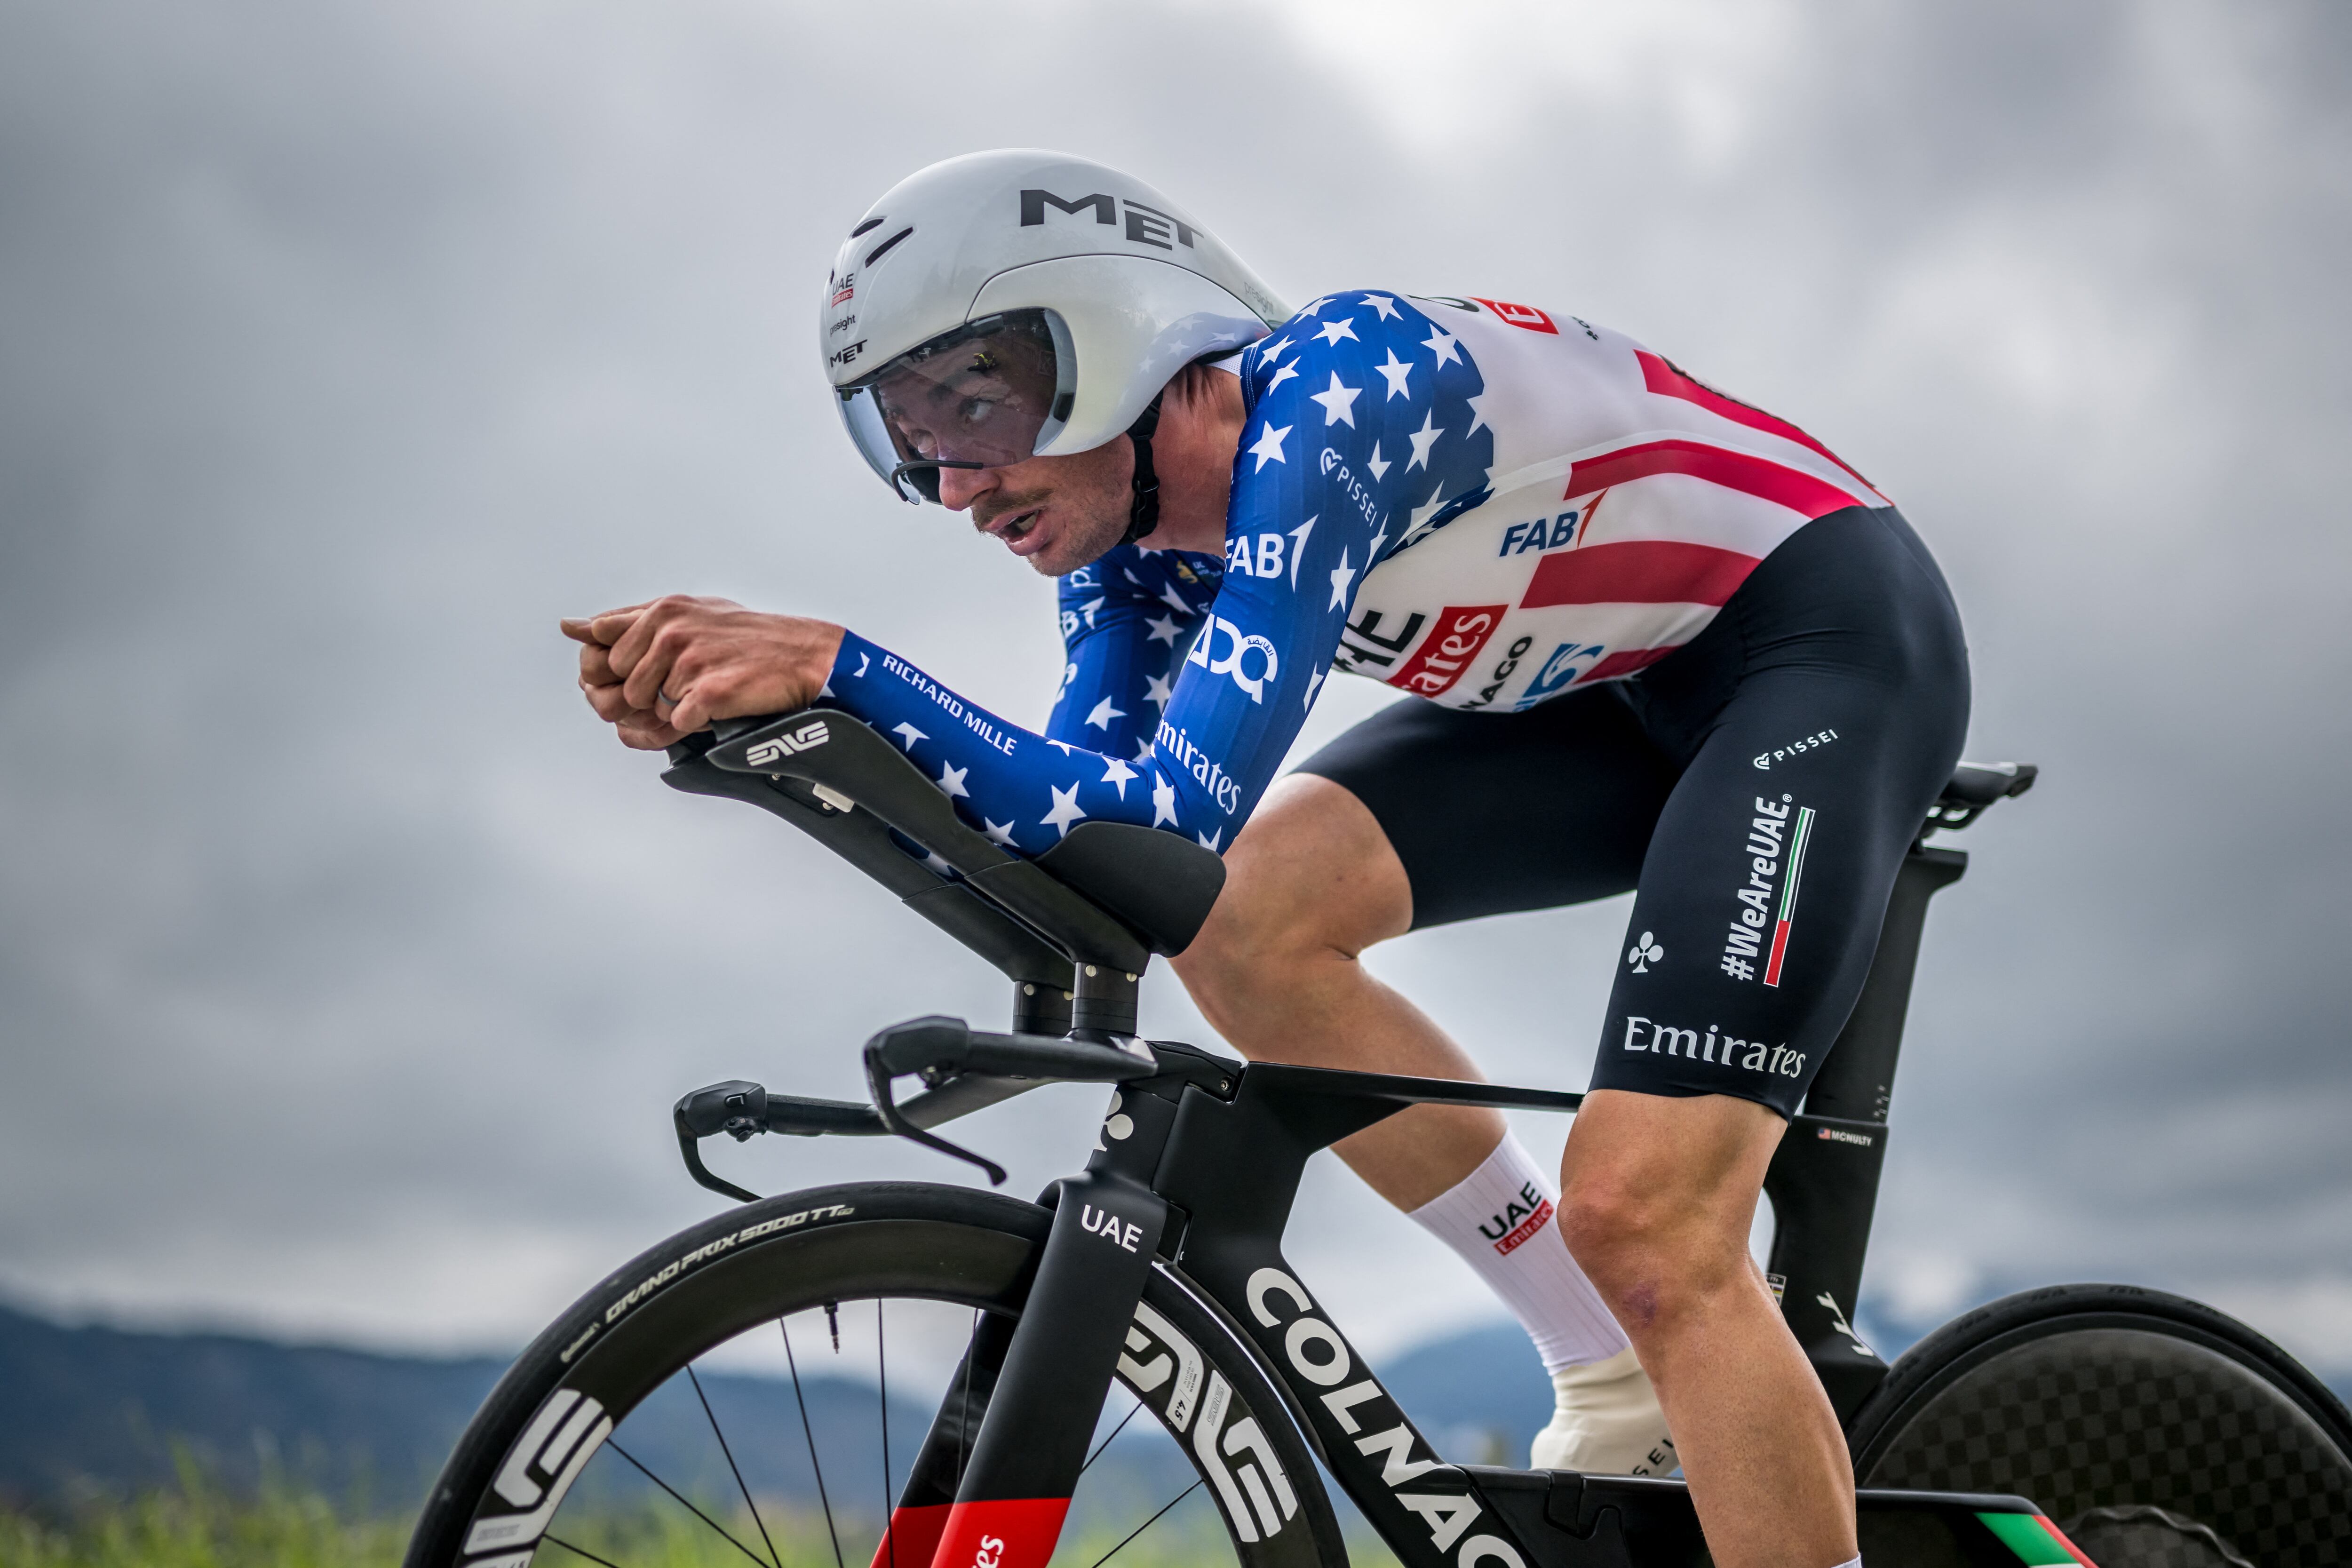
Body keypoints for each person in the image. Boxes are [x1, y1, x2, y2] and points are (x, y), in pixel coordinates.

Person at [565, 149, 1967, 1568]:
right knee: (1238, 927)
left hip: (1818, 647)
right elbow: (1101, 861)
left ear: (1108, 342)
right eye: (909, 439)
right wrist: (801, 737)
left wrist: (840, 663)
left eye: (971, 408)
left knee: (1651, 1218)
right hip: (1603, 695)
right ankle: (1603, 1365)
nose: (954, 483)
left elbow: (1166, 811)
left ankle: (1652, 1333)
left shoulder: (1330, 402)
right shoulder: (1125, 555)